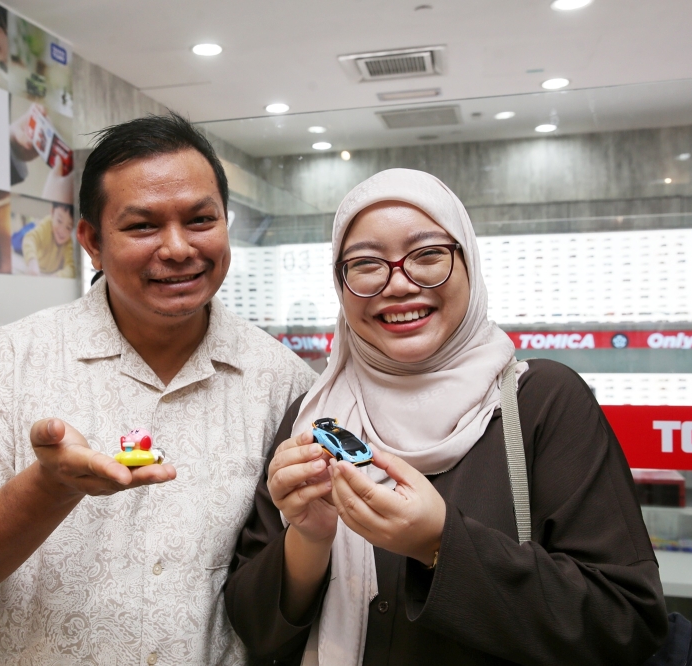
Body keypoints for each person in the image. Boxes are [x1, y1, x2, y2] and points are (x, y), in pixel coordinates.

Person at [0, 113, 317, 665]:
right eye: (142, 226)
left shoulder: (283, 383)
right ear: (91, 241)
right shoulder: (8, 364)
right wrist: (48, 489)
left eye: (200, 219)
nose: (178, 248)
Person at [225, 169, 668, 665]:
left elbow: (626, 622)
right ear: (340, 284)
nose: (398, 284)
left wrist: (440, 544)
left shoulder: (542, 403)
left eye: (428, 255)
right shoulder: (312, 418)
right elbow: (254, 631)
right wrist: (308, 538)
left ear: (468, 263)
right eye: (366, 264)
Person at [21, 202, 75, 277]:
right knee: (19, 239)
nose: (62, 231)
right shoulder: (47, 225)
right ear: (52, 212)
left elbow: (71, 268)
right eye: (59, 221)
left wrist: (58, 276)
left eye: (68, 227)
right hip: (35, 262)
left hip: (50, 273)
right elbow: (30, 238)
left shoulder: (69, 242)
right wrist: (32, 261)